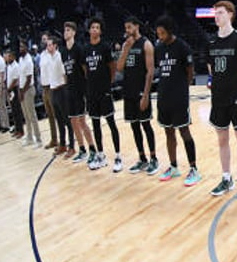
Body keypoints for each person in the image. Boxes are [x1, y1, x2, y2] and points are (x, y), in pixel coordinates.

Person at [207, 1, 237, 197]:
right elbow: (211, 69)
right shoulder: (211, 42)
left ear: (230, 14)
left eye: (220, 13)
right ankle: (226, 178)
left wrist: (234, 86)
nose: (216, 16)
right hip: (218, 98)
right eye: (215, 13)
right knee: (222, 139)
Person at [154, 15, 200, 186]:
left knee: (184, 131)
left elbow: (190, 71)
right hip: (163, 96)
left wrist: (182, 89)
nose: (160, 36)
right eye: (158, 33)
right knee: (168, 132)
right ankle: (173, 167)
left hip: (179, 97)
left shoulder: (182, 47)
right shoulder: (159, 47)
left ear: (170, 31)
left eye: (162, 33)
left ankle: (194, 168)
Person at [116, 16, 158, 174]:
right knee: (134, 126)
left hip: (141, 91)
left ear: (136, 27)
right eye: (126, 28)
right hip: (129, 91)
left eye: (129, 27)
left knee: (146, 125)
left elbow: (150, 72)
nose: (127, 31)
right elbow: (119, 68)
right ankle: (142, 158)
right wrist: (125, 50)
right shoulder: (126, 45)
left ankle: (154, 158)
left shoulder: (146, 44)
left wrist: (146, 95)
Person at [85, 18, 122, 172]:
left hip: (104, 90)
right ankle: (100, 155)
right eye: (92, 27)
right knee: (95, 124)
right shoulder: (85, 49)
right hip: (91, 92)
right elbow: (84, 69)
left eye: (97, 27)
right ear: (89, 30)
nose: (94, 30)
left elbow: (112, 67)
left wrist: (109, 83)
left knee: (111, 123)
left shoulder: (105, 47)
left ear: (100, 31)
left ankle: (118, 156)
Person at [62, 21, 95, 163]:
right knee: (73, 121)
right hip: (69, 90)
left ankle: (92, 149)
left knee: (82, 121)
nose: (66, 33)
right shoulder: (63, 52)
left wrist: (86, 89)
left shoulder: (79, 49)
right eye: (65, 30)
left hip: (80, 89)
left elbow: (85, 70)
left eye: (68, 30)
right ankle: (82, 149)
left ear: (74, 32)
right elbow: (65, 72)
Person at [41, 35, 72, 155]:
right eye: (47, 45)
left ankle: (71, 145)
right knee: (59, 120)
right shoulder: (47, 57)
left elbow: (65, 75)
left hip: (61, 89)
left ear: (55, 45)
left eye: (49, 44)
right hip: (53, 90)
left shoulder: (59, 56)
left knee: (67, 120)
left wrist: (66, 89)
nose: (47, 46)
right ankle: (62, 144)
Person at [17, 40, 42, 148]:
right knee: (26, 116)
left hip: (28, 90)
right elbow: (21, 77)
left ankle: (39, 139)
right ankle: (30, 137)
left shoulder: (28, 60)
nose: (20, 49)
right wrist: (19, 90)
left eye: (22, 47)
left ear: (27, 48)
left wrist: (22, 91)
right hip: (22, 90)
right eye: (20, 47)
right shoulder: (20, 59)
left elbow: (28, 78)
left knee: (32, 115)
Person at [38, 33, 58, 148]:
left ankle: (64, 140)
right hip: (44, 88)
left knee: (57, 115)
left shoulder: (53, 54)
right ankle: (54, 139)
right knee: (50, 116)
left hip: (52, 87)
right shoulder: (42, 55)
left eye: (46, 39)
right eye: (43, 39)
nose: (44, 41)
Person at [5, 49, 24, 139]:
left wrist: (9, 88)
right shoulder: (9, 66)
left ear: (13, 57)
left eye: (9, 56)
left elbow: (15, 79)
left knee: (17, 111)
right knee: (13, 111)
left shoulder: (16, 66)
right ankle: (17, 129)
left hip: (15, 89)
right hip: (10, 90)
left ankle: (21, 131)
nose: (7, 58)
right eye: (7, 56)